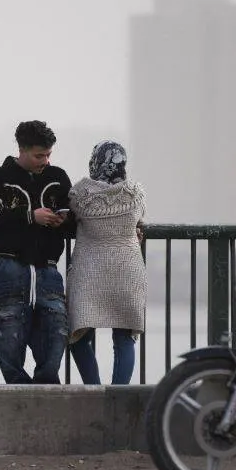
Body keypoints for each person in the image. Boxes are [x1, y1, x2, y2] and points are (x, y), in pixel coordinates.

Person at [0, 121, 74, 384]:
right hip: (9, 269)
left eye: (48, 155)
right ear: (21, 149)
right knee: (7, 343)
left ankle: (45, 392)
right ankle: (19, 394)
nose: (45, 161)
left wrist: (63, 220)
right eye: (38, 156)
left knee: (56, 336)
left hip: (48, 270)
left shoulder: (58, 178)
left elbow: (75, 218)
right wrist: (31, 216)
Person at [66, 141, 147, 385]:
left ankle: (93, 389)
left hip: (89, 272)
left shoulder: (80, 194)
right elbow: (140, 221)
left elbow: (71, 217)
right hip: (128, 270)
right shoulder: (135, 193)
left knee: (79, 336)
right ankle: (118, 395)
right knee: (124, 338)